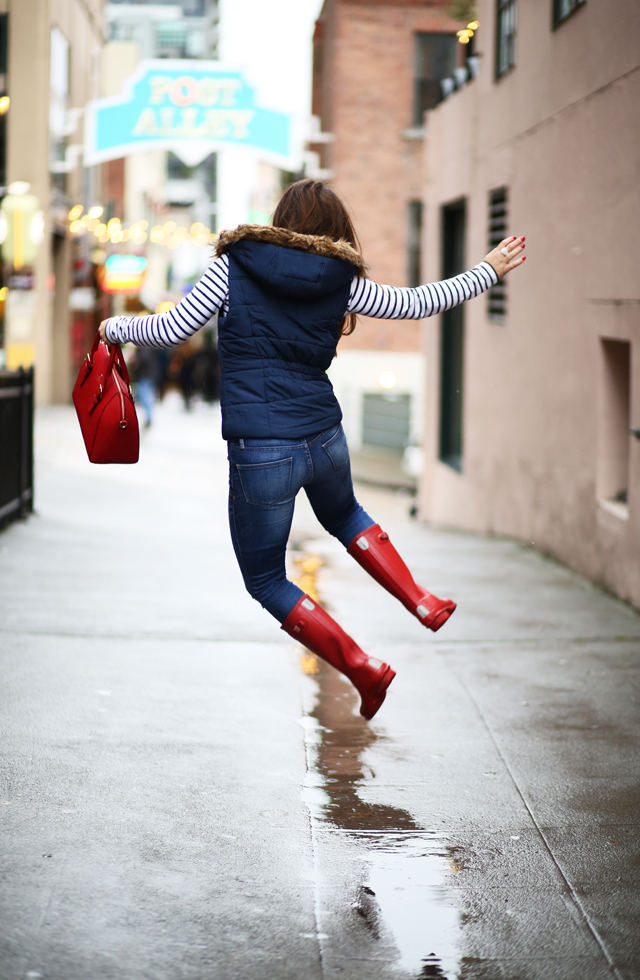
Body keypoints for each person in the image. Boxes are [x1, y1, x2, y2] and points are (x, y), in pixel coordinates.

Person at [100, 179, 525, 721]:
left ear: (281, 218)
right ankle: (419, 597)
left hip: (262, 448)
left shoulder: (233, 266)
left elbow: (173, 328)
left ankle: (362, 667)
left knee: (266, 580)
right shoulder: (342, 280)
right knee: (346, 514)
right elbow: (418, 304)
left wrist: (114, 326)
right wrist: (487, 270)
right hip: (324, 435)